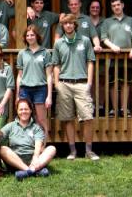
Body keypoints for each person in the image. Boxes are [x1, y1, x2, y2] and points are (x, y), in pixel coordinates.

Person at [52, 14, 99, 161]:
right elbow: (56, 65)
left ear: (75, 25)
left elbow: (90, 61)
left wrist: (89, 83)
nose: (68, 26)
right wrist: (56, 83)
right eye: (66, 24)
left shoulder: (85, 41)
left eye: (71, 23)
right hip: (64, 84)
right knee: (68, 119)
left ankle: (89, 151)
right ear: (63, 26)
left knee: (87, 117)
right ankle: (72, 151)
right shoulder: (59, 43)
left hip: (81, 83)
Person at [0, 98, 56, 181]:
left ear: (30, 111)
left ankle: (29, 170)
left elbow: (38, 145)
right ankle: (33, 171)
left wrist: (36, 157)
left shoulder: (36, 128)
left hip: (33, 160)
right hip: (15, 162)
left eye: (26, 109)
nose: (23, 112)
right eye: (21, 109)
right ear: (17, 111)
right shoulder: (10, 126)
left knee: (52, 149)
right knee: (3, 149)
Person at [101, 0, 132, 118]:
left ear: (122, 5)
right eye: (113, 6)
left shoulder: (131, 20)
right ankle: (114, 109)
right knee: (113, 83)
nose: (116, 7)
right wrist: (112, 46)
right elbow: (104, 38)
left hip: (128, 57)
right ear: (111, 7)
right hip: (112, 57)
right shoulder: (107, 22)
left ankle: (124, 108)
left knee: (126, 83)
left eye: (118, 5)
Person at [16, 25, 53, 138]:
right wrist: (18, 94)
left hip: (40, 89)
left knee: (41, 119)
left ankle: (43, 145)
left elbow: (49, 75)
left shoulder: (45, 52)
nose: (30, 37)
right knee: (25, 118)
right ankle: (27, 145)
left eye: (32, 35)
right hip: (25, 89)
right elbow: (19, 76)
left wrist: (49, 96)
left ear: (37, 36)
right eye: (27, 35)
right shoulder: (22, 53)